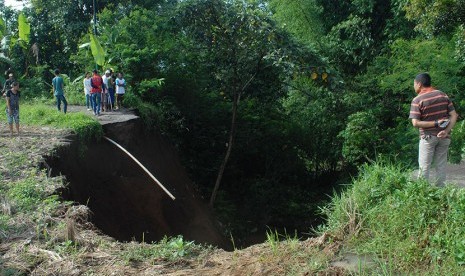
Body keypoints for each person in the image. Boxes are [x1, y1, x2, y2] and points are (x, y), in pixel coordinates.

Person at [409, 73, 458, 186]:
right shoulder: (443, 95)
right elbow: (454, 115)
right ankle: (440, 193)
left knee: (424, 167)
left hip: (428, 138)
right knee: (441, 166)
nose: (414, 87)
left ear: (420, 84)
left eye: (414, 84)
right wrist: (446, 131)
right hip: (444, 137)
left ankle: (423, 193)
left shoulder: (417, 100)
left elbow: (415, 123)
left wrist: (435, 123)